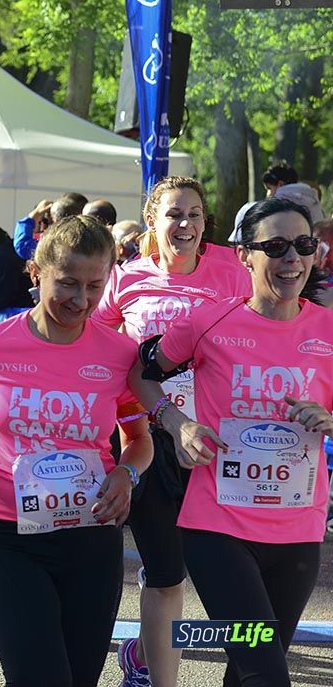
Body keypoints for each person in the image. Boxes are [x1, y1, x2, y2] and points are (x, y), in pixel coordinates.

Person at [0, 215, 152, 687]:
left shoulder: (118, 354)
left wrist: (126, 476)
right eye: (67, 283)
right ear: (36, 274)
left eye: (95, 285)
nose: (81, 300)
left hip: (91, 535)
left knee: (78, 678)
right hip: (4, 533)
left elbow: (139, 439)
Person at [129, 196, 332, 687]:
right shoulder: (210, 322)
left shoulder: (328, 330)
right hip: (219, 526)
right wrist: (178, 423)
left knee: (248, 668)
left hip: (298, 530)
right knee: (266, 675)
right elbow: (141, 373)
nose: (291, 259)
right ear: (245, 256)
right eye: (276, 246)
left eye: (303, 245)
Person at [94, 176, 252, 687]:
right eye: (173, 214)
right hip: (150, 441)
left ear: (207, 223)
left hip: (222, 444)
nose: (184, 225)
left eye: (195, 215)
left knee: (236, 579)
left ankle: (149, 649)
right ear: (152, 221)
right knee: (166, 576)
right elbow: (93, 340)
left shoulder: (233, 271)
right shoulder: (126, 277)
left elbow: (274, 323)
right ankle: (156, 675)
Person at [13, 192, 87, 261]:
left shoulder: (56, 248)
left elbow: (22, 246)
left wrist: (33, 216)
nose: (46, 226)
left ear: (56, 222)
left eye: (49, 220)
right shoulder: (93, 243)